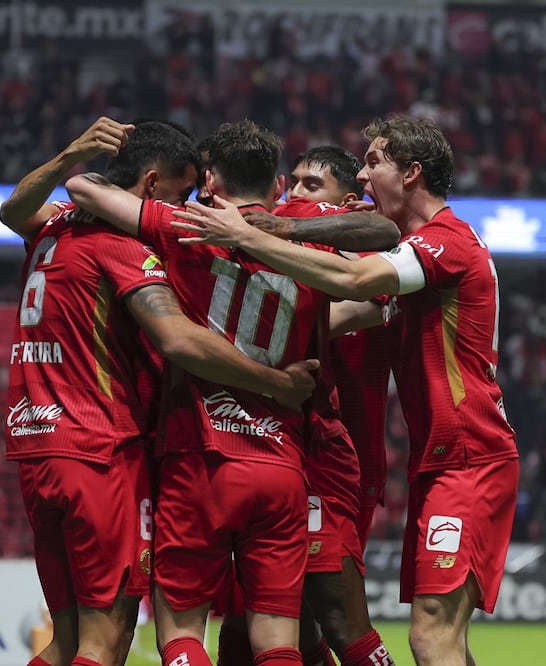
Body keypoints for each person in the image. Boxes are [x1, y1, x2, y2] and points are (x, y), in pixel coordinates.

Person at [171, 115, 520, 666]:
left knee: (429, 637)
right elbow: (335, 312)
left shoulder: (444, 243)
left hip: (468, 457)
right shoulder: (418, 249)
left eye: (374, 162)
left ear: (411, 173)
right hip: (440, 459)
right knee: (432, 635)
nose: (362, 176)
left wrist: (250, 235)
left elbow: (351, 283)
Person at [66, 119, 387, 666]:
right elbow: (382, 232)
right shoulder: (300, 223)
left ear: (209, 177)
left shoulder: (183, 222)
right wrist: (277, 230)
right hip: (282, 461)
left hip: (199, 456)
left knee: (183, 628)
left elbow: (82, 188)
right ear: (277, 181)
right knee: (279, 638)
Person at [1, 117, 318, 666]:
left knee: (67, 644)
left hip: (36, 442)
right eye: (181, 194)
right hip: (99, 449)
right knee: (106, 642)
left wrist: (66, 155)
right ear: (150, 186)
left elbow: (11, 212)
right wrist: (277, 383)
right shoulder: (121, 246)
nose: (189, 204)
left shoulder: (55, 226)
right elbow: (176, 338)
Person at [217, 146, 397, 666]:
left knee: (331, 611)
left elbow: (345, 307)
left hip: (336, 452)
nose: (296, 195)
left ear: (350, 202)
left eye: (312, 187)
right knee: (262, 611)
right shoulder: (299, 246)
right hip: (277, 444)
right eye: (292, 183)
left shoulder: (363, 250)